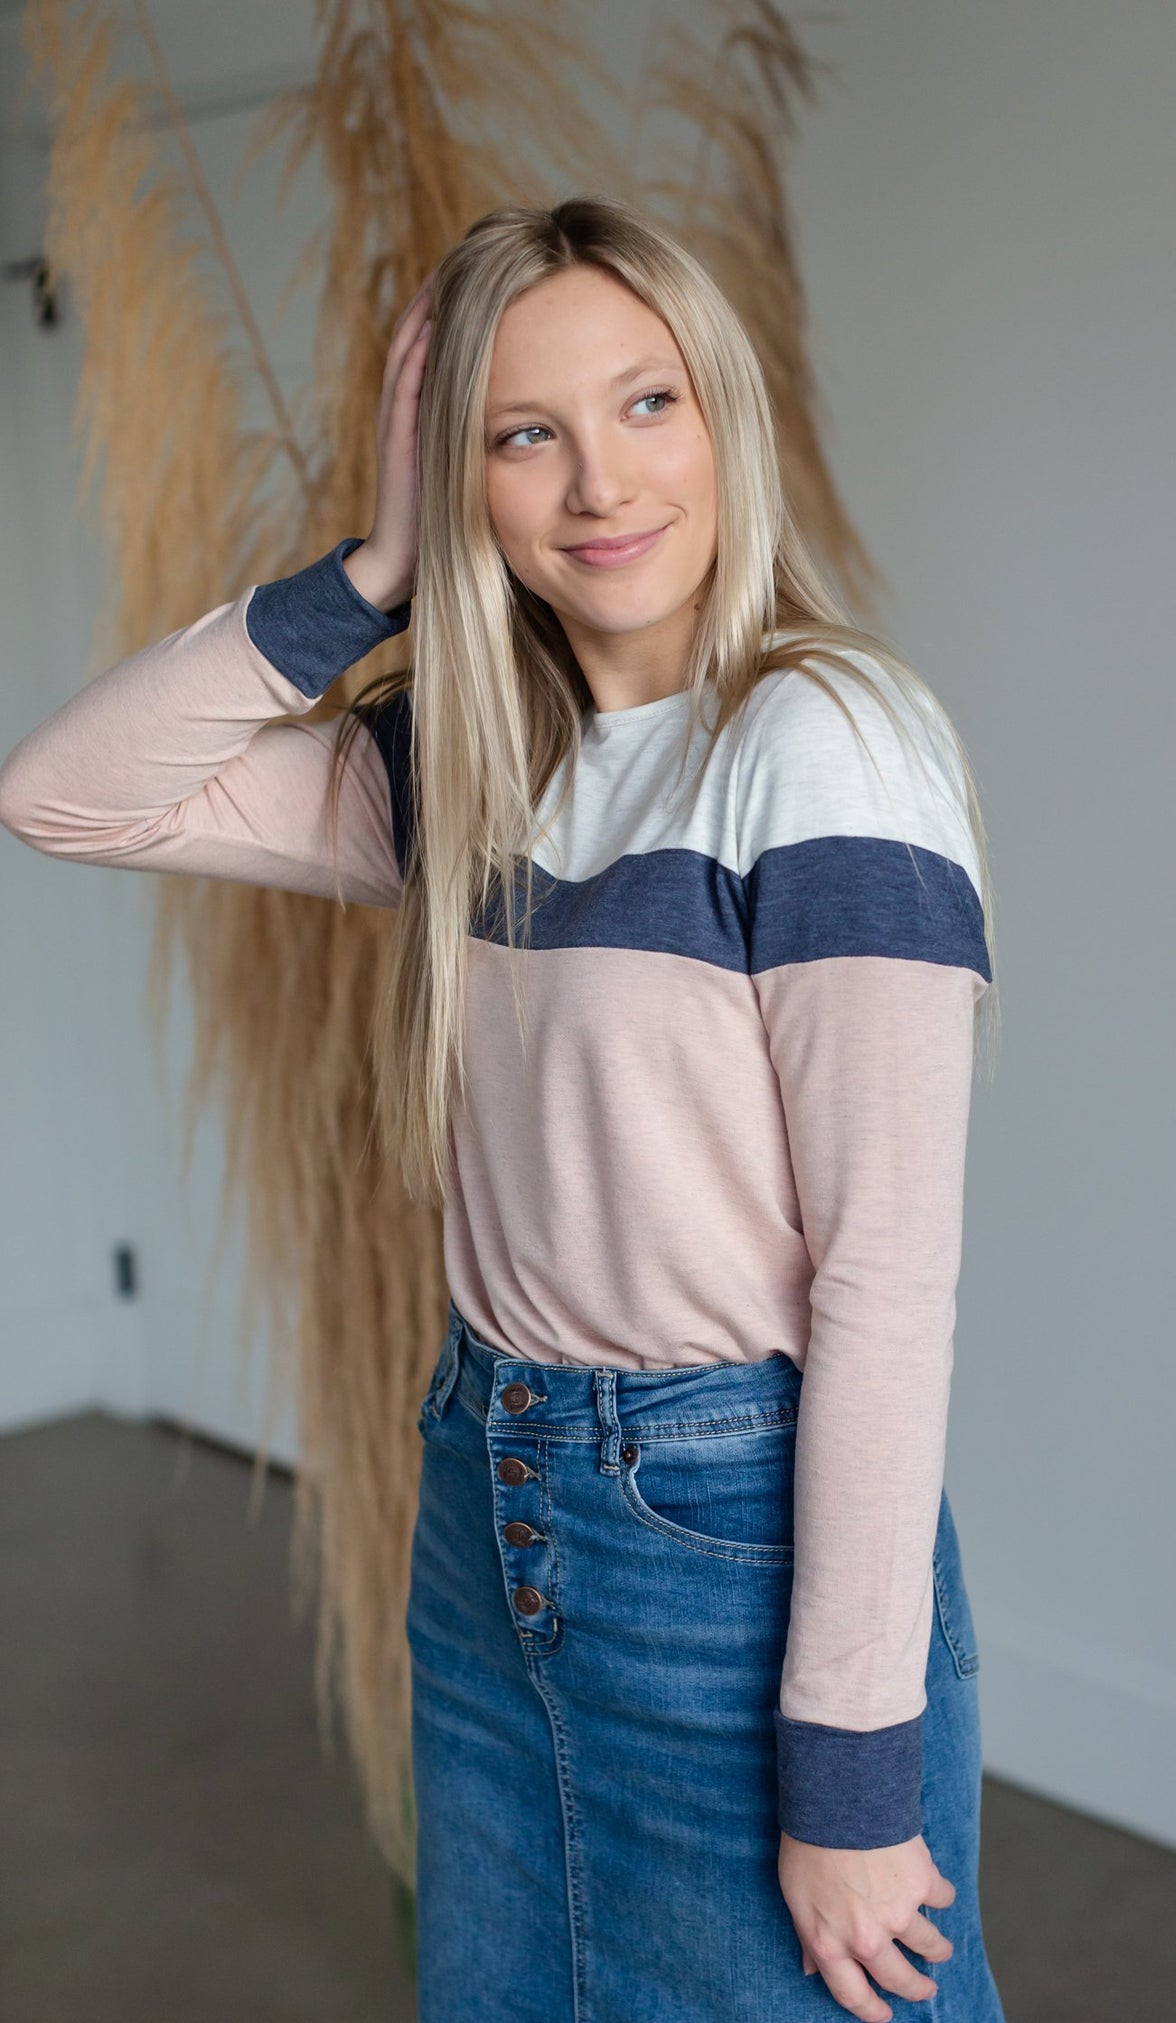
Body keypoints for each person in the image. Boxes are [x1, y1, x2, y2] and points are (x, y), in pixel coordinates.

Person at [0, 195, 1006, 2023]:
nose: (596, 482)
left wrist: (851, 1770)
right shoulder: (473, 761)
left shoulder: (822, 743)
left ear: (724, 418)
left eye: (646, 404)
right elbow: (69, 794)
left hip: (719, 1535)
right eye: (520, 433)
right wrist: (372, 573)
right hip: (489, 1489)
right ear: (460, 474)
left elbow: (886, 1281)